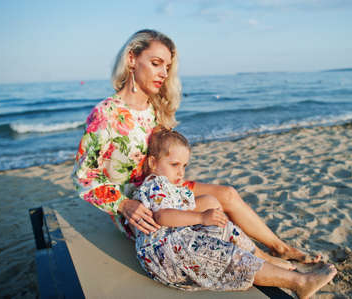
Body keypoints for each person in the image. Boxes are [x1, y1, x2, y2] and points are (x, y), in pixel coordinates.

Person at [72, 29, 319, 265]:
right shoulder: (106, 115)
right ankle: (265, 261)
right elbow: (83, 178)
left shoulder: (153, 108)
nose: (163, 74)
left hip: (166, 189)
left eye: (167, 67)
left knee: (228, 194)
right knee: (213, 205)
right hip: (140, 209)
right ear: (132, 59)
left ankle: (281, 248)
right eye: (156, 63)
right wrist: (123, 205)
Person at [131, 126, 336, 296]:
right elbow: (162, 216)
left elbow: (185, 207)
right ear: (152, 163)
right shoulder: (155, 184)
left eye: (184, 165)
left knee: (225, 227)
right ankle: (299, 282)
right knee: (229, 256)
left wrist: (212, 216)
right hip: (164, 255)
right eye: (174, 164)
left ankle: (264, 258)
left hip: (178, 244)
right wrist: (201, 217)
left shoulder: (172, 186)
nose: (181, 172)